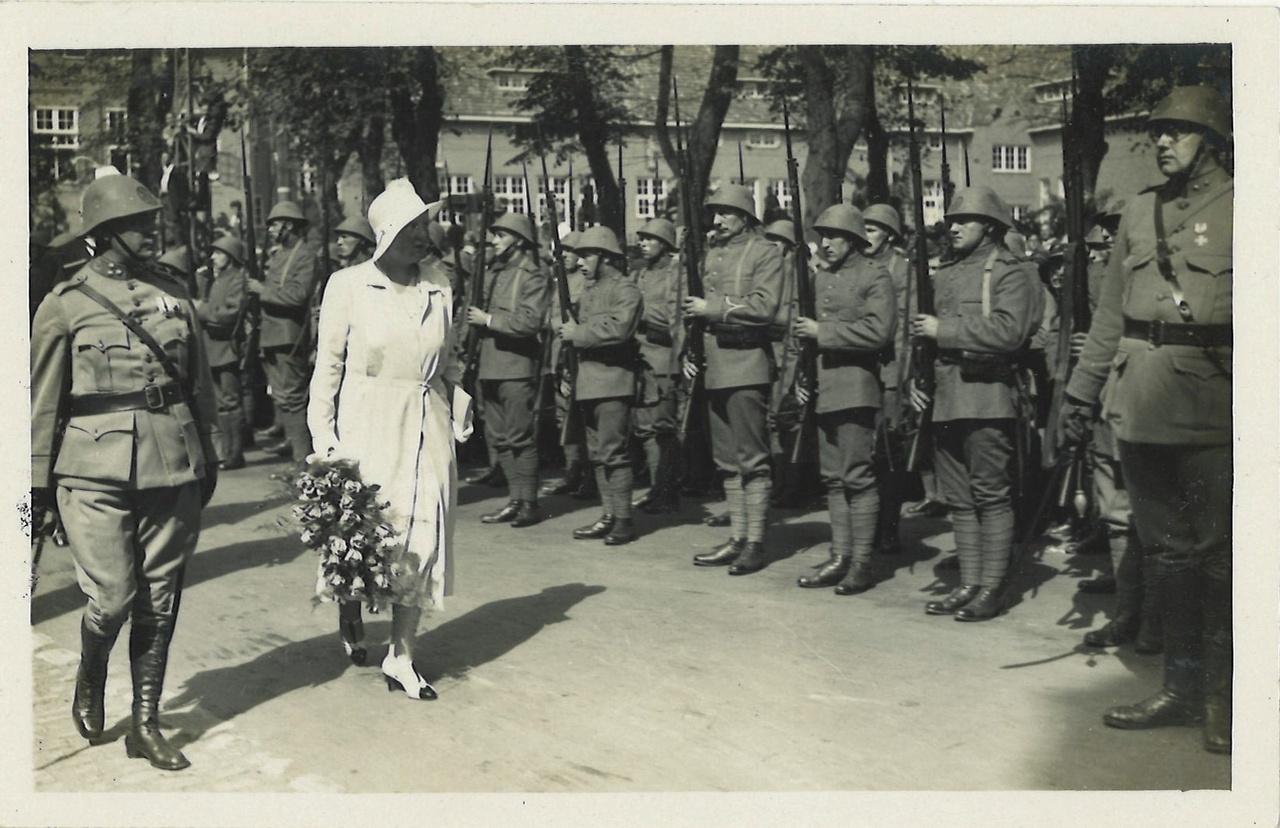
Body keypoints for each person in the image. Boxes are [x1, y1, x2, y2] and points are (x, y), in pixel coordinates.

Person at [1059, 86, 1233, 753]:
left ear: (1213, 142)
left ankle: (1222, 696)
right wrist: (1080, 394)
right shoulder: (1139, 212)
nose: (1162, 141)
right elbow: (1109, 317)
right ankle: (1180, 690)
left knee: (1218, 558)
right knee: (1167, 554)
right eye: (1157, 131)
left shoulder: (1248, 208)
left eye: (1178, 132)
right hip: (1139, 404)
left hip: (1216, 405)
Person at [31, 170, 220, 771]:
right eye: (137, 223)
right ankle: (91, 672)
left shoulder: (174, 293)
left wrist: (207, 451)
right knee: (112, 596)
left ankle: (144, 722)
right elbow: (39, 401)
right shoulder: (66, 304)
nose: (150, 229)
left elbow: (201, 386)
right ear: (106, 232)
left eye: (149, 220)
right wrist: (32, 486)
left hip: (172, 459)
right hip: (92, 469)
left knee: (161, 597)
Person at [308, 179, 470, 700]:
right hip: (367, 422)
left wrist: (461, 405)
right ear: (387, 235)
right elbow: (327, 367)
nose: (425, 234)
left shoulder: (439, 283)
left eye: (424, 224)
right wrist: (325, 441)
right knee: (369, 537)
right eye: (413, 226)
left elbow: (449, 360)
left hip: (428, 421)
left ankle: (401, 654)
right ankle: (349, 608)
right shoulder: (348, 285)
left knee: (420, 540)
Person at [909, 186, 1044, 621]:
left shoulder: (1011, 271)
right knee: (960, 498)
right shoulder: (945, 272)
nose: (953, 228)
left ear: (989, 225)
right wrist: (918, 377)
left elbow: (1009, 332)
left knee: (990, 494)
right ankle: (968, 581)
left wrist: (942, 331)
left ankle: (992, 586)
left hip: (988, 396)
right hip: (947, 395)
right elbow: (921, 334)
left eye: (963, 220)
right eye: (950, 221)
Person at [792, 204, 896, 594]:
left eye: (834, 237)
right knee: (833, 480)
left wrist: (824, 332)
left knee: (856, 476)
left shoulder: (874, 276)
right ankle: (840, 555)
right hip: (823, 384)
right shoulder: (820, 279)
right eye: (822, 237)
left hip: (855, 386)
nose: (826, 244)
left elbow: (879, 331)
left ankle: (863, 562)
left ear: (854, 241)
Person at [684, 183, 784, 575]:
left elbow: (765, 307)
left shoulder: (765, 253)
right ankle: (738, 537)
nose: (718, 219)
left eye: (726, 212)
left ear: (745, 216)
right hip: (715, 364)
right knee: (727, 460)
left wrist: (713, 308)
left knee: (752, 460)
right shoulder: (712, 253)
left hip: (746, 363)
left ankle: (755, 542)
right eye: (715, 212)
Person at [466, 212, 551, 528]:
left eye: (500, 235)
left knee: (520, 438)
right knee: (499, 438)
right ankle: (515, 500)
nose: (494, 240)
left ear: (517, 238)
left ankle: (529, 502)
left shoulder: (533, 276)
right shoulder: (494, 273)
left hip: (516, 367)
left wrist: (489, 321)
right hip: (489, 365)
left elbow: (530, 321)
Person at [560, 226, 644, 544]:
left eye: (586, 255)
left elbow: (620, 328)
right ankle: (609, 514)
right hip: (589, 380)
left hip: (613, 381)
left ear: (605, 257)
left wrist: (577, 334)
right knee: (597, 453)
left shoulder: (626, 289)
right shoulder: (591, 291)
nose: (580, 262)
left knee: (614, 453)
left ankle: (623, 519)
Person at [248, 201, 322, 464]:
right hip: (271, 337)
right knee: (282, 399)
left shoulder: (305, 256)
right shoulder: (279, 256)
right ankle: (298, 461)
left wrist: (261, 290)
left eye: (274, 225)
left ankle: (304, 466)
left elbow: (298, 295)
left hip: (288, 338)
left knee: (292, 400)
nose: (270, 230)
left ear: (288, 226)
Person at [862, 204, 914, 556]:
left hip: (891, 369)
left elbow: (907, 329)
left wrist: (900, 378)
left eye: (873, 229)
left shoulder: (903, 270)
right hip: (859, 368)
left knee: (888, 451)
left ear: (889, 235)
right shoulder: (859, 266)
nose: (865, 235)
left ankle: (889, 527)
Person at [630, 218, 684, 515]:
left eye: (649, 239)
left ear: (664, 243)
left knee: (663, 429)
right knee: (646, 430)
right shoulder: (640, 275)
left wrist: (644, 319)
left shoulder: (676, 275)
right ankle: (656, 488)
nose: (643, 243)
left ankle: (668, 490)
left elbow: (675, 317)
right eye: (642, 238)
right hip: (642, 359)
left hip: (664, 359)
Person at [196, 235, 250, 470]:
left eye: (218, 253)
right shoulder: (217, 279)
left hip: (227, 348)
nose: (213, 257)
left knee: (230, 402)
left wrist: (202, 310)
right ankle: (226, 452)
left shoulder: (237, 279)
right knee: (220, 403)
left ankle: (234, 454)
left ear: (230, 257)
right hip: (214, 348)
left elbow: (228, 313)